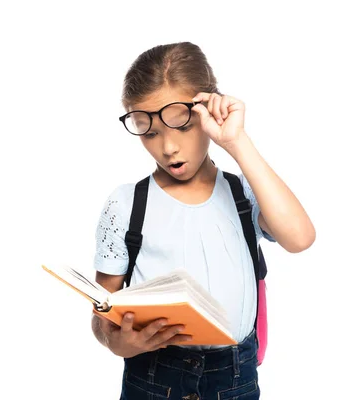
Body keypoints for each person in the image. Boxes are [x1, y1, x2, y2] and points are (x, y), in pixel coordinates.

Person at [90, 42, 315, 399]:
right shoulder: (125, 203)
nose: (168, 147)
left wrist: (236, 141)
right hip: (152, 376)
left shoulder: (243, 193)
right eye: (149, 132)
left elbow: (300, 238)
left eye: (181, 124)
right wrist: (118, 342)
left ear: (208, 108)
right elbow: (102, 312)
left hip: (234, 378)